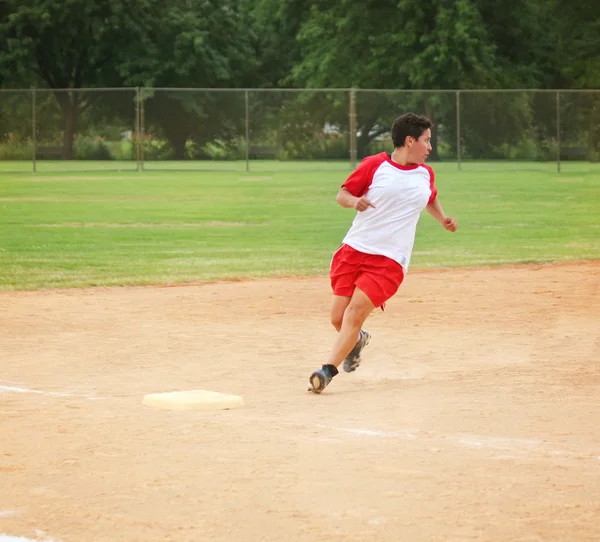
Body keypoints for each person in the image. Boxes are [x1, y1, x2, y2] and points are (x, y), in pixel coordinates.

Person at [307, 112, 458, 394]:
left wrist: (443, 219)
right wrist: (354, 201)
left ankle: (326, 371)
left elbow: (430, 197)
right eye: (426, 141)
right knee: (338, 319)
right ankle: (357, 340)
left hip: (390, 260)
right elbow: (342, 195)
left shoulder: (425, 173)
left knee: (353, 314)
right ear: (409, 141)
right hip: (354, 249)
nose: (430, 147)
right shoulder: (375, 165)